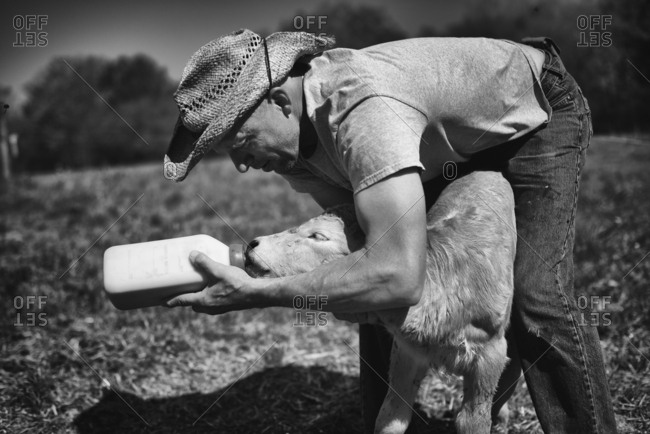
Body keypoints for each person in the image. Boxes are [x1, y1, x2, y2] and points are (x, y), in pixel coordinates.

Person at [163, 29, 617, 433]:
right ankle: (391, 421)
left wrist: (258, 295)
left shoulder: (362, 113)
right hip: (450, 146)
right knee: (376, 270)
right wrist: (338, 288)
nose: (242, 165)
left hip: (533, 113)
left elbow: (395, 274)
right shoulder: (292, 151)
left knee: (536, 297)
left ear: (280, 102)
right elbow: (360, 251)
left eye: (241, 143)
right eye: (229, 154)